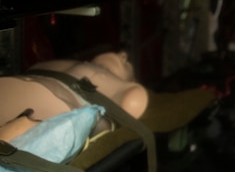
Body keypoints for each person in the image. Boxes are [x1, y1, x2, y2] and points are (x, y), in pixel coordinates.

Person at [0, 51, 148, 134]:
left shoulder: (128, 94)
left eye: (127, 66)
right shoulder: (57, 65)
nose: (123, 55)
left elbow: (134, 101)